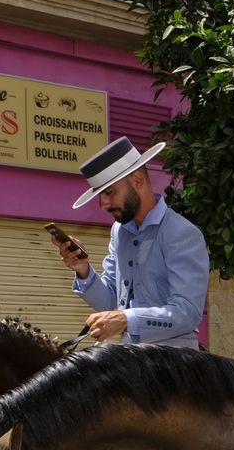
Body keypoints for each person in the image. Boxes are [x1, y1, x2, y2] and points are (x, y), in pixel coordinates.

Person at [52, 136, 209, 348]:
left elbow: (187, 313)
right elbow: (110, 302)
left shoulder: (181, 233)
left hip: (175, 366)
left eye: (109, 192)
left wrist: (126, 318)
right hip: (129, 359)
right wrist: (83, 269)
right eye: (100, 196)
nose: (103, 204)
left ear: (137, 181)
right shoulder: (119, 231)